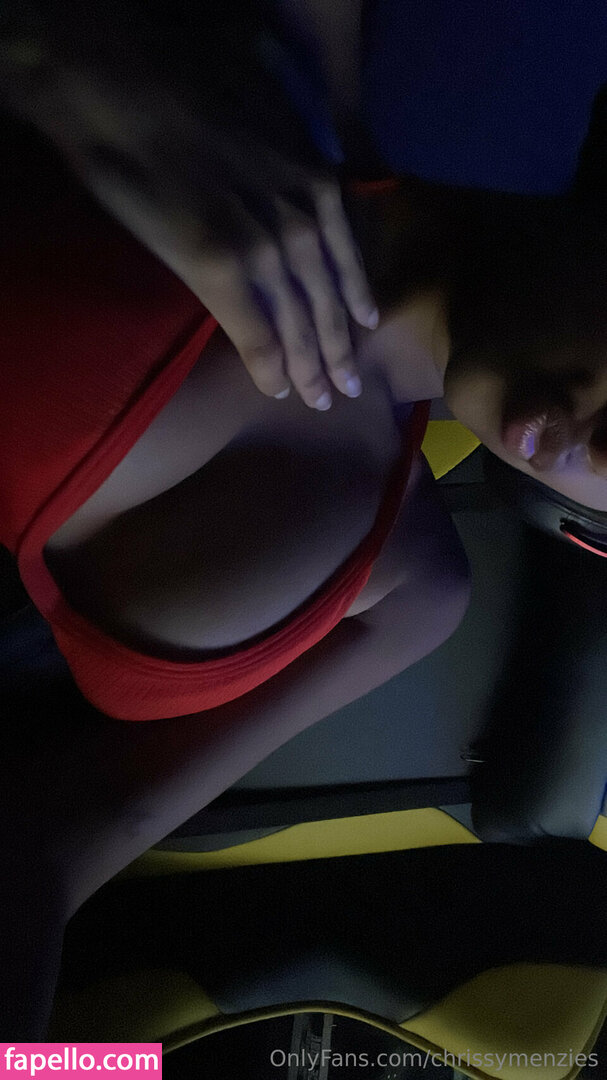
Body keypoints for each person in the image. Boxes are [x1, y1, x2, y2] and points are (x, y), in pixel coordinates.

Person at [1, 0, 607, 1039]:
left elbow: (43, 853)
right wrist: (57, 54)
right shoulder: (313, 59)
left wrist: (74, 1068)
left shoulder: (414, 588)